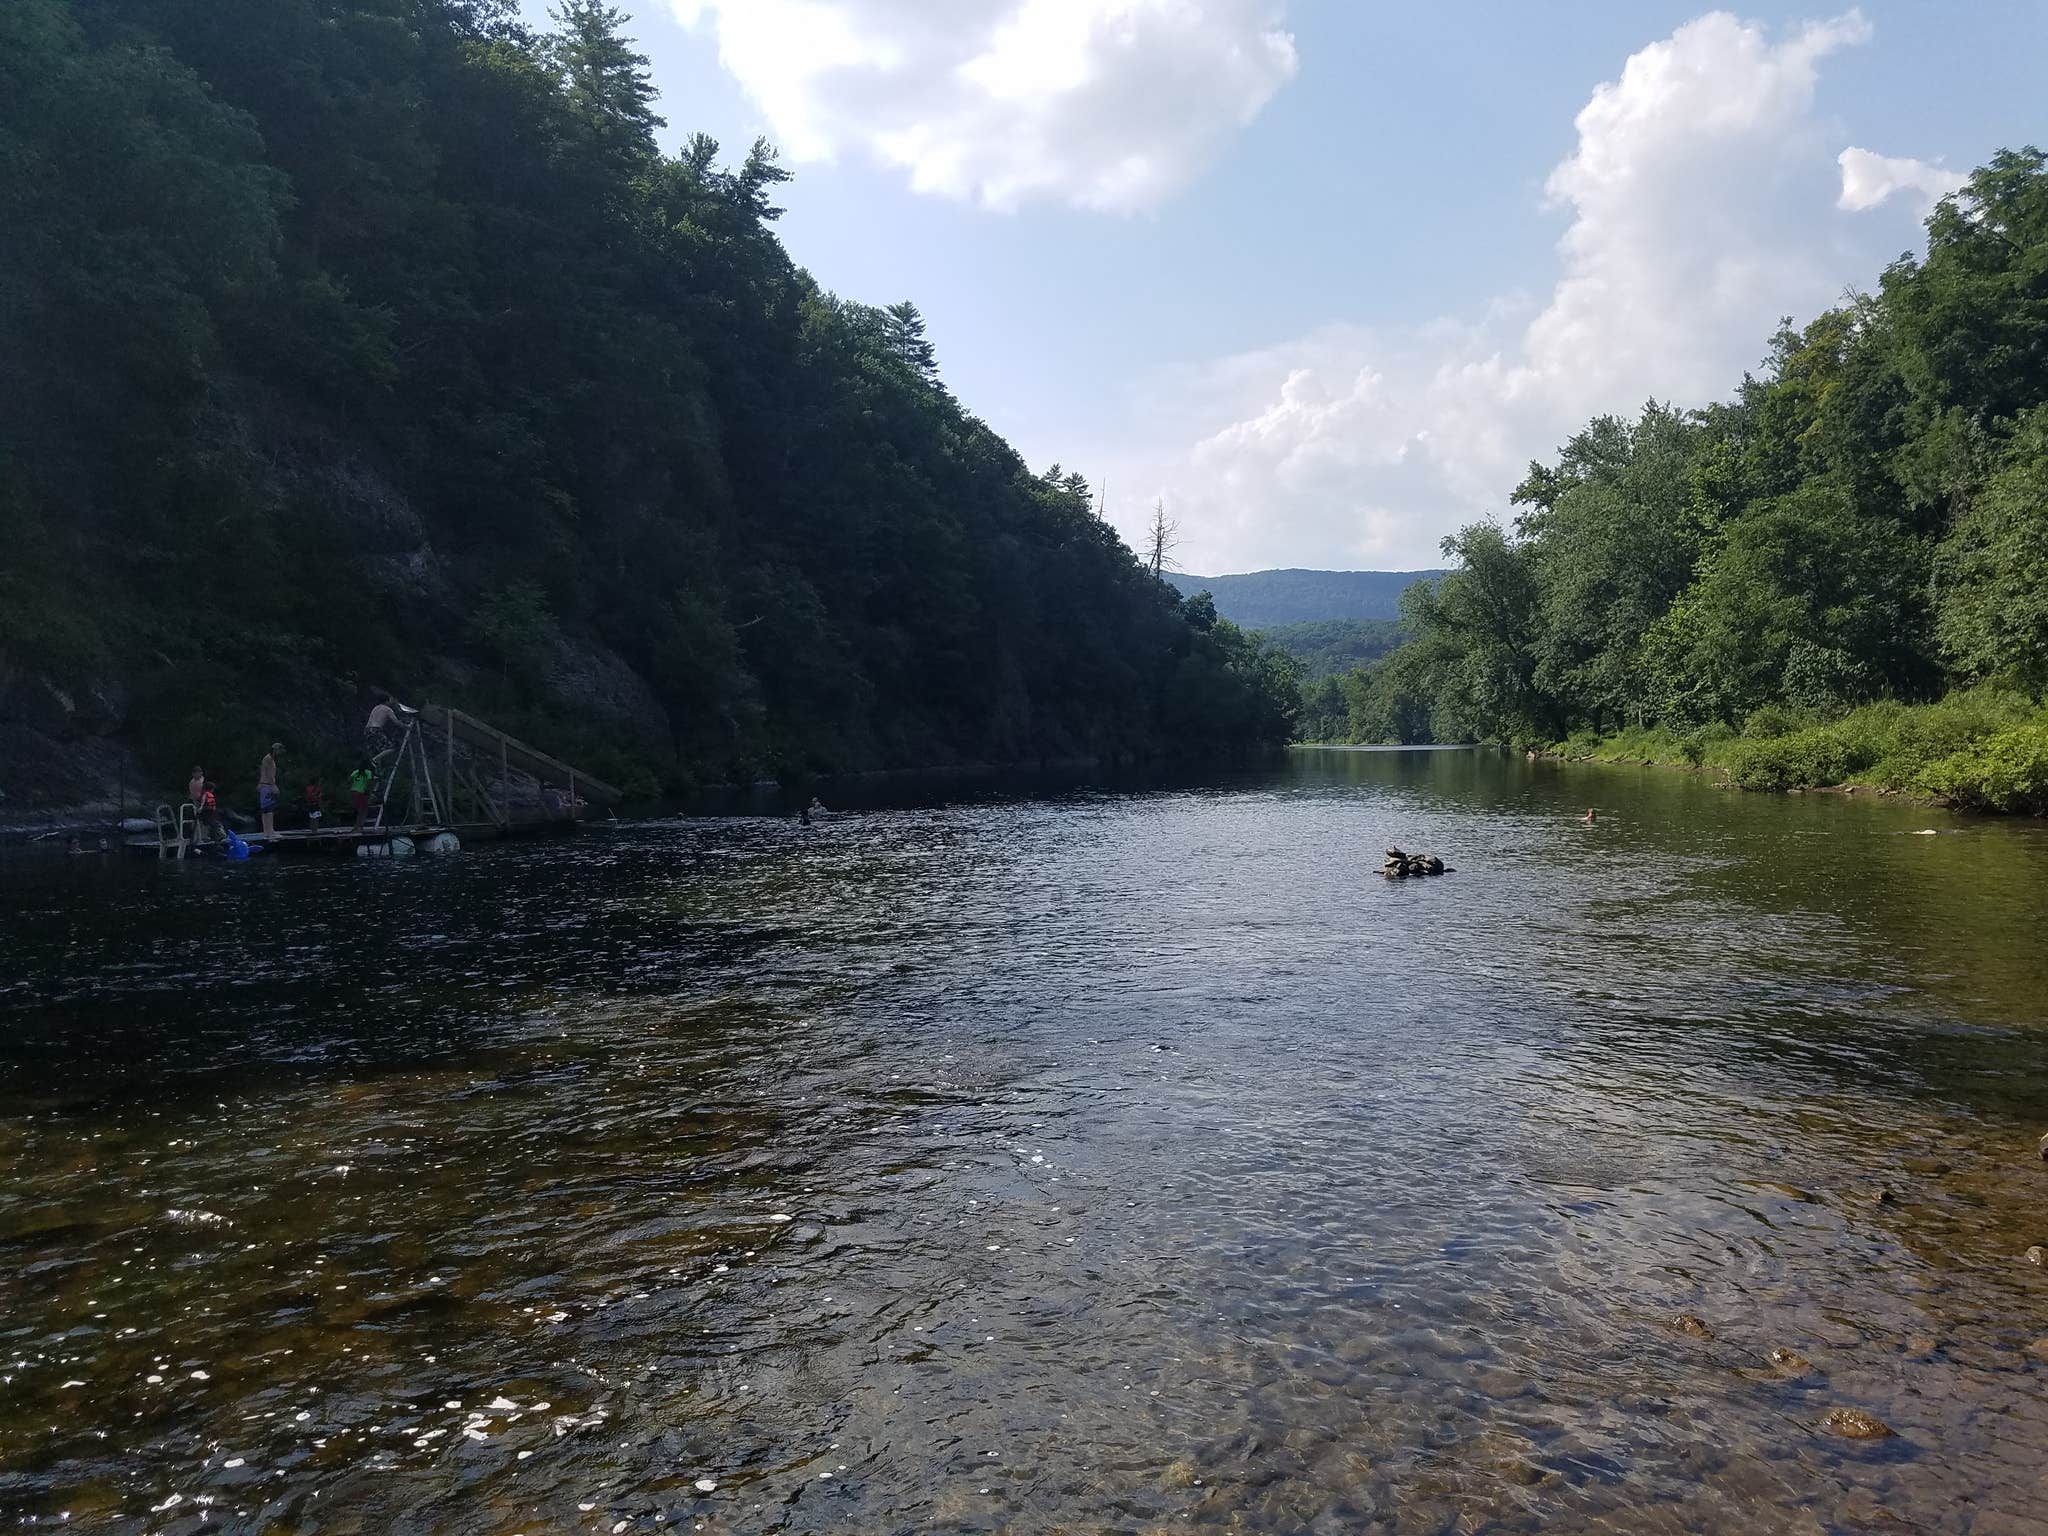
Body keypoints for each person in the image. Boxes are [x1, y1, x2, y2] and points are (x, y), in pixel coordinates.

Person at [258, 743, 281, 837]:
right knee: (269, 809)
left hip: (264, 785)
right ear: (275, 750)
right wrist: (274, 786)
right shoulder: (269, 759)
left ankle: (266, 831)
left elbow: (263, 771)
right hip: (267, 785)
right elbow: (269, 774)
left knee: (265, 809)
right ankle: (270, 831)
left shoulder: (267, 758)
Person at [349, 761, 374, 834]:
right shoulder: (368, 772)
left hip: (353, 791)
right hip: (362, 792)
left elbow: (349, 780)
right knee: (364, 810)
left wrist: (355, 785)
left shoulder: (355, 772)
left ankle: (357, 826)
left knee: (359, 810)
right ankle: (359, 826)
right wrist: (369, 790)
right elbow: (369, 782)